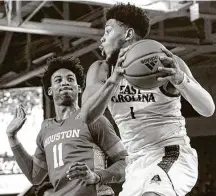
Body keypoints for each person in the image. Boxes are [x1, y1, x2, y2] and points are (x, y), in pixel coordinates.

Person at [81, 3, 215, 196]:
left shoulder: (167, 63)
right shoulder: (101, 71)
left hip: (171, 153)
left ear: (128, 34)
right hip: (135, 164)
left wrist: (181, 80)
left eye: (108, 31)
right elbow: (86, 116)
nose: (102, 38)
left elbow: (208, 109)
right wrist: (113, 81)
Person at [6, 56, 127, 196]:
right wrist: (12, 137)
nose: (65, 83)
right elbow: (35, 176)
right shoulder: (45, 129)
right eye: (58, 80)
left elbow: (125, 162)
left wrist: (97, 176)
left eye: (70, 79)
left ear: (79, 88)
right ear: (50, 91)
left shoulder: (93, 119)